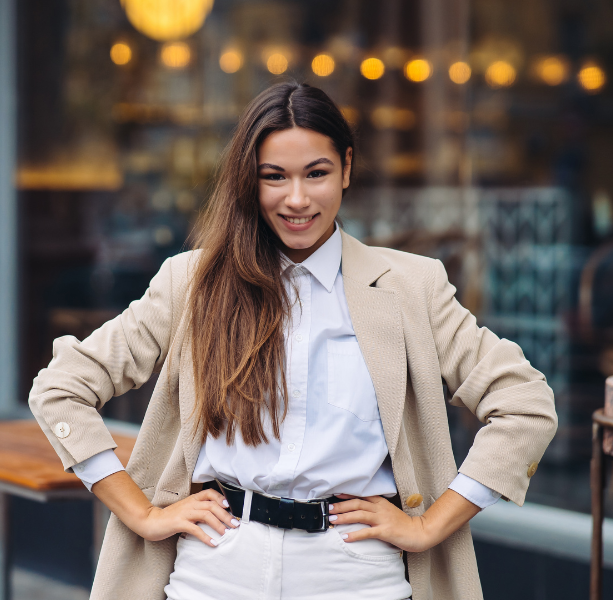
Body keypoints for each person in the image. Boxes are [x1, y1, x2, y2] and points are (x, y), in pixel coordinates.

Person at [29, 82, 558, 600]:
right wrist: (140, 512)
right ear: (249, 182)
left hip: (355, 570)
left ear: (347, 168)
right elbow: (61, 390)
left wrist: (431, 524)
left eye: (317, 173)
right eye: (274, 177)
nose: (297, 198)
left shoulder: (410, 287)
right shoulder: (192, 282)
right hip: (215, 568)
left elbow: (525, 406)